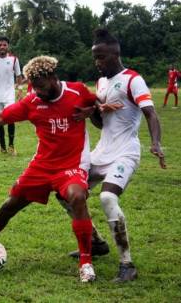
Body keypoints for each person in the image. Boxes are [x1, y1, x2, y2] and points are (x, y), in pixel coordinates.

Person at [0, 56, 98, 283]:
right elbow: (0, 117)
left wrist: (93, 109)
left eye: (42, 87)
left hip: (71, 165)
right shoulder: (33, 101)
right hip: (41, 167)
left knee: (76, 196)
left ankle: (86, 263)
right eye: (33, 87)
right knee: (8, 207)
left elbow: (102, 105)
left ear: (53, 77)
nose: (38, 92)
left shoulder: (77, 92)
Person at [61, 28, 166, 283]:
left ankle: (127, 264)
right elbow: (101, 123)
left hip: (125, 153)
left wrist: (156, 143)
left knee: (108, 197)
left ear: (115, 54)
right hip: (102, 151)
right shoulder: (102, 83)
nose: (98, 63)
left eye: (102, 58)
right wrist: (92, 111)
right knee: (65, 193)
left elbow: (150, 113)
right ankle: (96, 242)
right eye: (95, 58)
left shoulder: (133, 79)